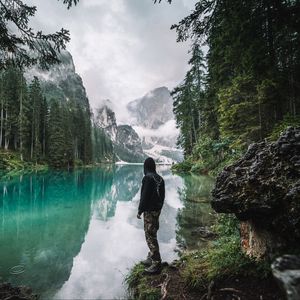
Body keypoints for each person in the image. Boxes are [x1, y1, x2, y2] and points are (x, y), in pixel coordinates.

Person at [137, 157, 165, 274]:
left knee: (149, 235)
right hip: (157, 210)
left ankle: (156, 263)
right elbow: (162, 196)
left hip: (149, 211)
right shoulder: (160, 179)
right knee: (153, 232)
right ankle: (151, 257)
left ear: (146, 167)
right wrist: (158, 208)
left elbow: (145, 196)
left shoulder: (147, 178)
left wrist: (140, 210)